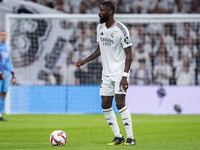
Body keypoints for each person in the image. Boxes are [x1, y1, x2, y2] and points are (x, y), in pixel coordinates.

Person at [75, 1, 135, 146]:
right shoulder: (100, 27)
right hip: (106, 73)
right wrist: (85, 61)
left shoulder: (121, 29)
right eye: (99, 10)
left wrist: (125, 76)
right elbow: (100, 49)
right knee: (105, 104)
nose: (99, 12)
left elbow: (129, 55)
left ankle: (131, 138)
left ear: (110, 12)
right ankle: (118, 136)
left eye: (102, 10)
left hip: (119, 73)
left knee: (120, 104)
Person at [0, 30, 15, 121]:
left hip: (6, 73)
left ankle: (0, 114)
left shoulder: (9, 47)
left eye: (4, 34)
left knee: (4, 92)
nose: (3, 36)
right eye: (1, 35)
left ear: (7, 36)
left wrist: (13, 74)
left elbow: (9, 61)